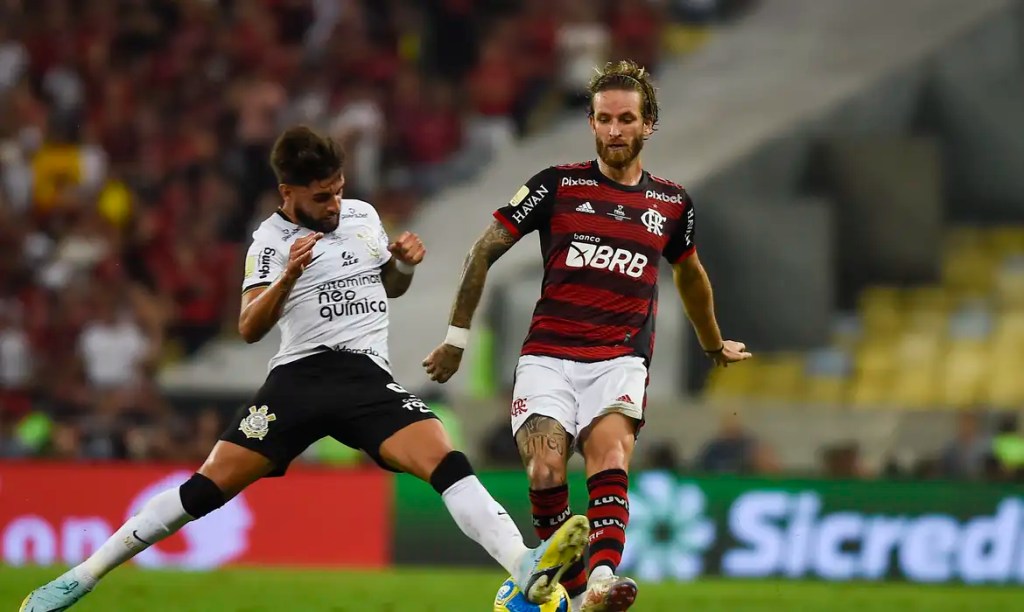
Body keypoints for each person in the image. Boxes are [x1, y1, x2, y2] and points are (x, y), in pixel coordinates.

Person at [21, 126, 588, 611]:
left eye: (338, 190)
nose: (334, 205)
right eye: (321, 197)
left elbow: (386, 288)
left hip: (366, 376)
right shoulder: (269, 242)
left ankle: (523, 568)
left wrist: (403, 266)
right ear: (287, 192)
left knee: (446, 458)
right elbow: (248, 327)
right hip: (300, 378)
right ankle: (81, 576)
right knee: (204, 489)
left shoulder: (363, 215)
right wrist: (289, 277)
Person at [423, 60, 751, 612]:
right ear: (592, 123)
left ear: (648, 125)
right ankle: (576, 596)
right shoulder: (556, 185)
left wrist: (713, 343)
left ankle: (599, 581)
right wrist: (456, 338)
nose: (615, 130)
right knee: (545, 467)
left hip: (619, 357)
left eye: (627, 119)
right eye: (604, 119)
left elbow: (691, 277)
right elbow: (483, 250)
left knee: (610, 457)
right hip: (548, 355)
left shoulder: (671, 205)